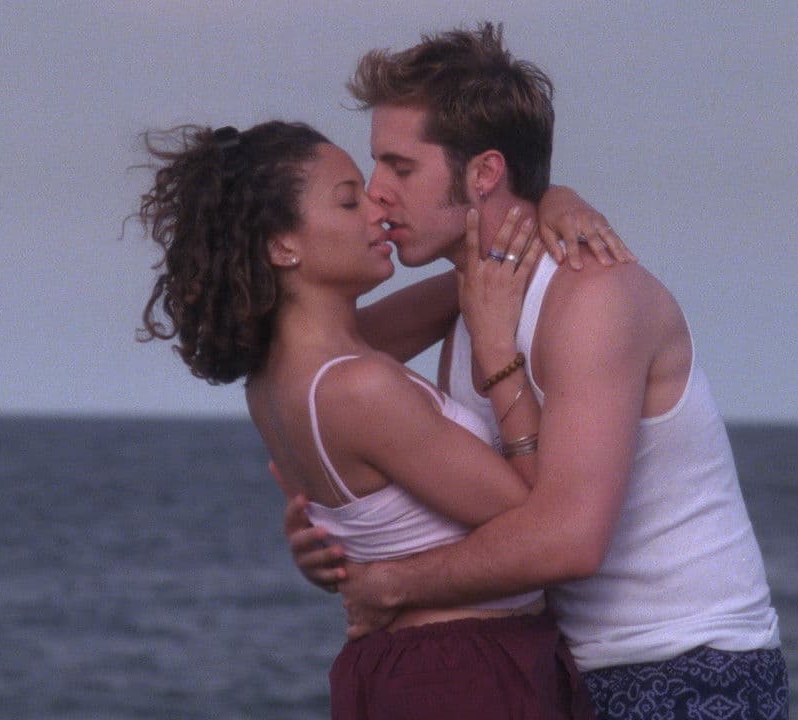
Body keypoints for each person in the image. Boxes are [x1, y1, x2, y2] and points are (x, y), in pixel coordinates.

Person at [282, 23, 789, 720]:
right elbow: (314, 370)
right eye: (375, 169)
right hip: (558, 667)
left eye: (400, 168)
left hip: (688, 668)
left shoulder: (592, 297)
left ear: (484, 173)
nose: (376, 195)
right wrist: (334, 536)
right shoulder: (470, 299)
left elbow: (569, 539)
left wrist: (392, 584)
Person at [136, 120, 627, 718]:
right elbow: (535, 521)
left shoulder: (278, 379)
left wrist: (551, 202)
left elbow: (483, 276)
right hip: (462, 675)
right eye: (349, 202)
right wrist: (499, 357)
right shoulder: (359, 387)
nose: (377, 209)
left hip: (405, 668)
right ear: (282, 246)